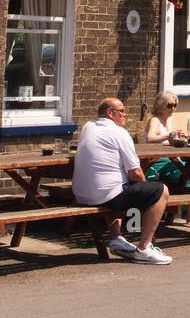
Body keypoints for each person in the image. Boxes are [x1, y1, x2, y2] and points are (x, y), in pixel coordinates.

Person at [73, 97, 172, 264]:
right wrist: (145, 186)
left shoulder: (88, 127)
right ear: (110, 113)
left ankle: (116, 237)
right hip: (106, 196)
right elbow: (135, 173)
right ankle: (144, 249)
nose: (126, 115)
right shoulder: (120, 133)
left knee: (120, 186)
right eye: (122, 112)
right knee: (161, 190)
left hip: (81, 195)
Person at [144, 92, 190, 228]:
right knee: (188, 169)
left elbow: (168, 141)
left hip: (167, 160)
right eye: (170, 105)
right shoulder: (155, 120)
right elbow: (150, 138)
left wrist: (184, 138)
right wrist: (169, 135)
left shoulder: (167, 121)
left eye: (175, 105)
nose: (173, 108)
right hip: (154, 163)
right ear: (160, 105)